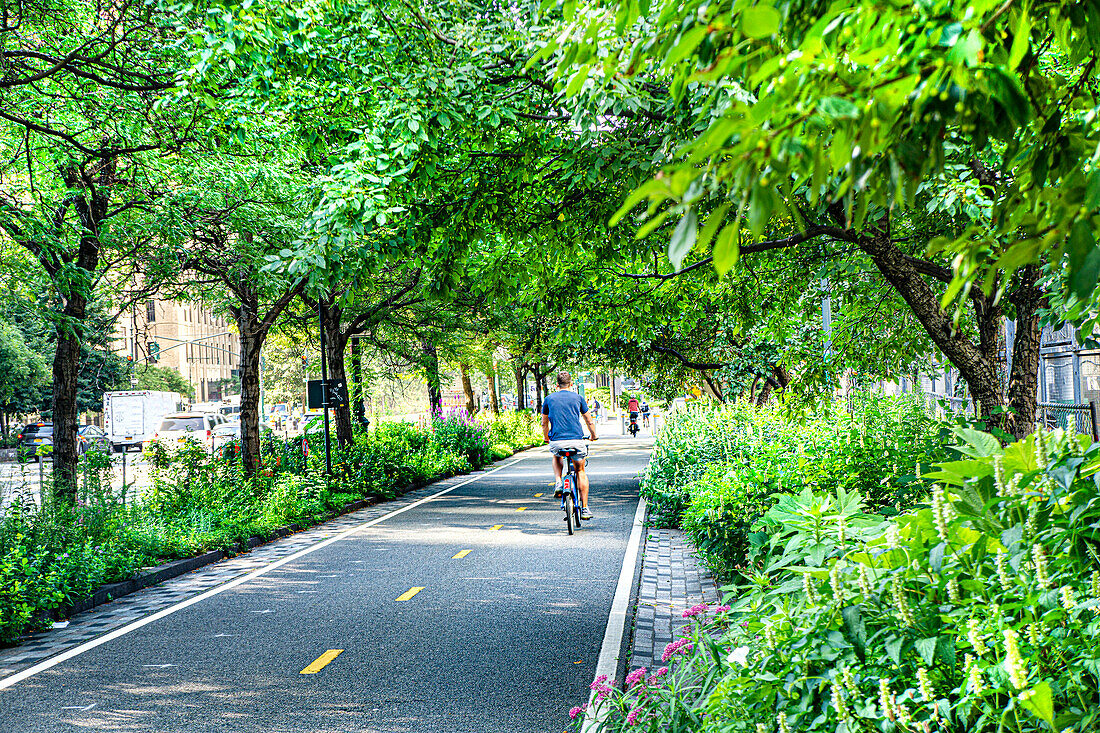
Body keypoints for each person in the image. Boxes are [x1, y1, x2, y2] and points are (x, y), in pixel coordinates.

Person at [542, 371, 599, 520]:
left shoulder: (548, 399)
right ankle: (585, 508)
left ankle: (559, 482)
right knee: (580, 470)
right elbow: (589, 420)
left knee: (556, 455)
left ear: (557, 385)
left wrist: (546, 438)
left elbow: (544, 423)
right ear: (571, 384)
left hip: (557, 441)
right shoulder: (578, 398)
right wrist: (593, 435)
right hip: (576, 440)